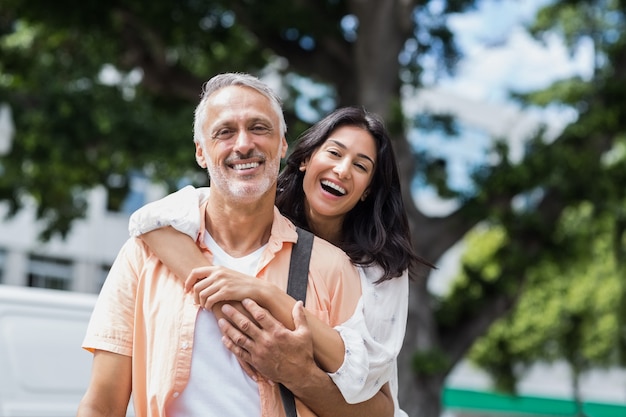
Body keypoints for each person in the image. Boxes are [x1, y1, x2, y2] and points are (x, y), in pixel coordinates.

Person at [76, 73, 393, 417]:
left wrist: (299, 374)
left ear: (283, 144)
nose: (243, 144)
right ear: (201, 152)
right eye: (225, 132)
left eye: (259, 128)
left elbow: (375, 409)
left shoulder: (332, 268)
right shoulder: (144, 254)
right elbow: (102, 403)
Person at [129, 106, 434, 416]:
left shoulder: (380, 270)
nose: (342, 170)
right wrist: (221, 294)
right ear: (305, 160)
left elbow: (365, 380)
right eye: (334, 153)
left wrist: (267, 296)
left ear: (368, 190)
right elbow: (151, 221)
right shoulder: (261, 218)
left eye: (360, 166)